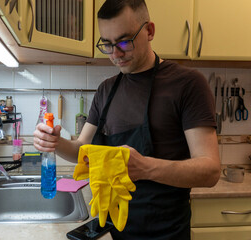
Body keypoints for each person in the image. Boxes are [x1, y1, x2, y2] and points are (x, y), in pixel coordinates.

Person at [33, 0, 220, 239]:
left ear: (150, 31)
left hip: (167, 233)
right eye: (108, 45)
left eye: (124, 41)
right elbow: (82, 150)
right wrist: (55, 143)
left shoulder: (188, 84)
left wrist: (145, 168)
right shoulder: (106, 90)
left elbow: (210, 170)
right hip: (115, 231)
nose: (116, 54)